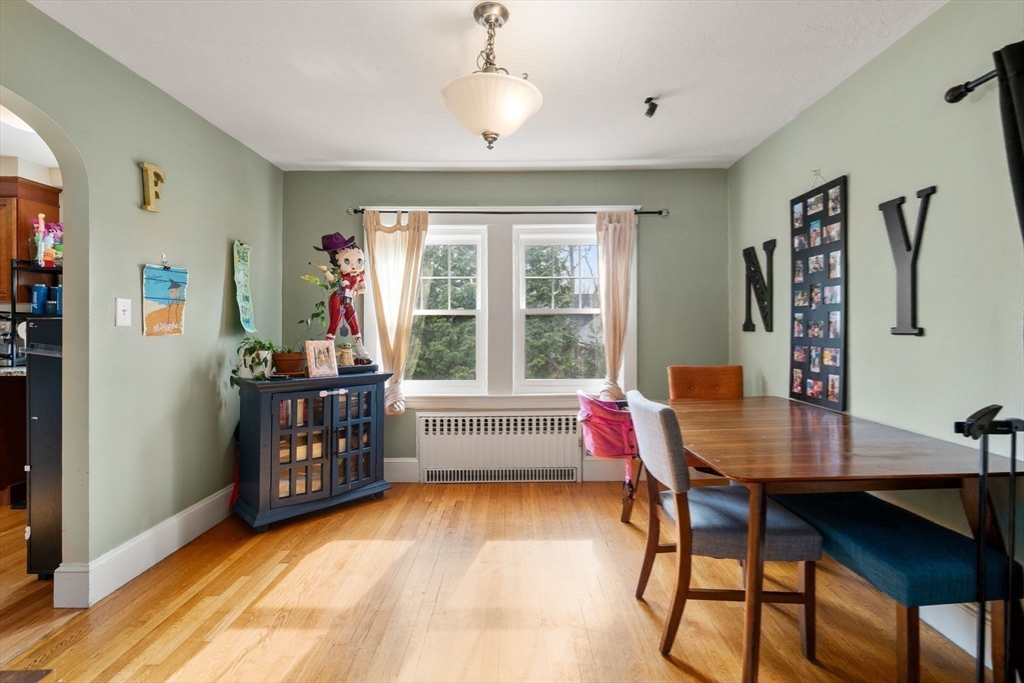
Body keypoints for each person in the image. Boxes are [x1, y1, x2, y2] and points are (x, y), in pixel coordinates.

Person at [313, 232, 373, 364]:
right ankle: (326, 352)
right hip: (337, 298)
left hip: (350, 300)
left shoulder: (359, 276)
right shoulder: (341, 274)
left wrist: (356, 292)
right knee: (334, 323)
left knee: (354, 324)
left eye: (359, 261)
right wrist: (325, 270)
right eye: (347, 261)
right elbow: (332, 279)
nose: (354, 266)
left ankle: (360, 350)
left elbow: (364, 288)